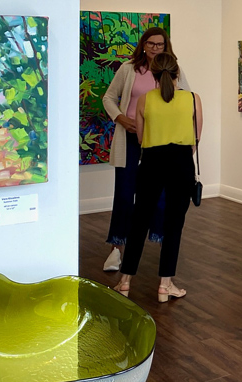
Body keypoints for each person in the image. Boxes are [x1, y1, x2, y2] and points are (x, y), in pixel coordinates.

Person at [113, 52, 202, 303]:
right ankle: (165, 285)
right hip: (181, 162)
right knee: (174, 225)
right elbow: (196, 138)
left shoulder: (144, 100)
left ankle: (125, 281)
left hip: (151, 162)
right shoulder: (193, 99)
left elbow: (140, 138)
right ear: (177, 74)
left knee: (139, 222)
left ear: (153, 74)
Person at [101, 27, 190, 272]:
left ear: (166, 46)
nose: (154, 48)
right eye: (150, 43)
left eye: (159, 44)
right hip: (130, 137)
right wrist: (121, 118)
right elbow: (108, 98)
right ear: (142, 45)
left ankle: (162, 243)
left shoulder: (174, 72)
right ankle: (116, 248)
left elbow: (186, 100)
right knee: (125, 192)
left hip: (159, 141)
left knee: (160, 194)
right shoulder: (128, 70)